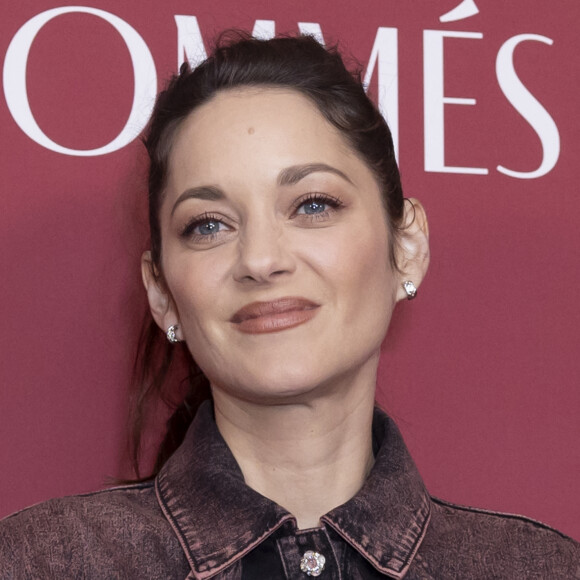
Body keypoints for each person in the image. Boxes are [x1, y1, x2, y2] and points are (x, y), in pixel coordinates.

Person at [0, 32, 578, 579]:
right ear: (161, 291)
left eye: (313, 205)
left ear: (407, 246)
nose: (261, 259)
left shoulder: (537, 566)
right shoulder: (41, 562)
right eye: (208, 224)